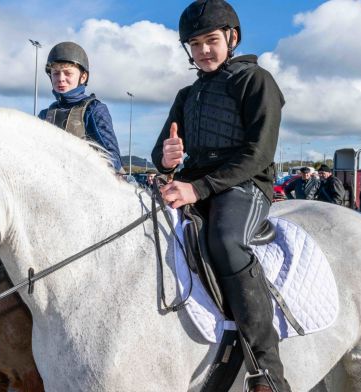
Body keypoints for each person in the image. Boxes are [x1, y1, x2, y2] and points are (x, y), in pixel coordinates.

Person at [151, 1, 289, 390]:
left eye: (210, 40)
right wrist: (165, 158)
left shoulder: (256, 81)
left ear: (232, 37)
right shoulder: (186, 94)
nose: (203, 51)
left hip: (244, 184)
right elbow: (163, 150)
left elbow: (259, 153)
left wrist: (198, 187)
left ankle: (267, 370)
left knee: (226, 241)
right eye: (194, 44)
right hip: (193, 181)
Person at [38, 41, 123, 173]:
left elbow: (113, 160)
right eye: (55, 73)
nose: (60, 78)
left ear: (83, 77)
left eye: (68, 73)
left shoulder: (94, 109)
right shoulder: (44, 115)